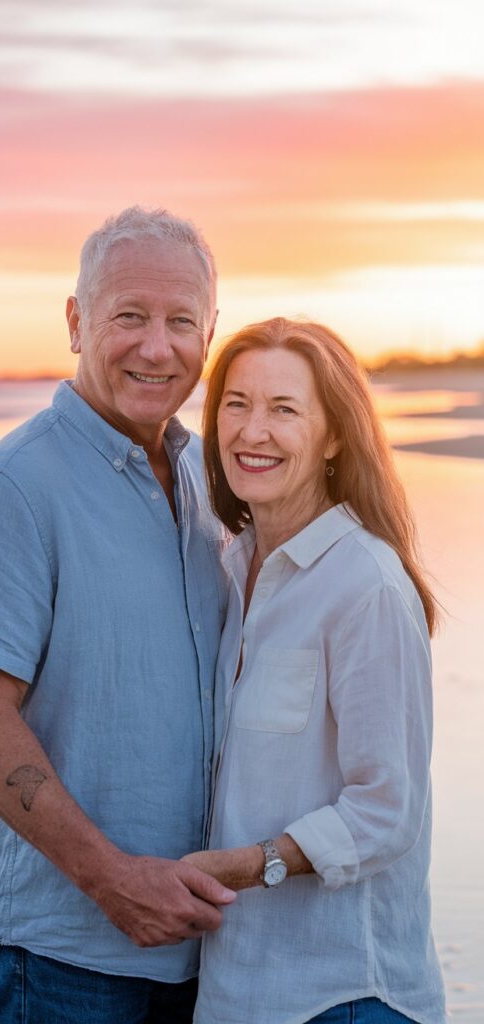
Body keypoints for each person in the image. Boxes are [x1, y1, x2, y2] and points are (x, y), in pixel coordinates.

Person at [0, 206, 236, 1024]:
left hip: (194, 940)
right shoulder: (16, 488)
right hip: (59, 950)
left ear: (211, 331)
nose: (156, 346)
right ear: (76, 321)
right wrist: (114, 879)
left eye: (181, 322)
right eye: (128, 316)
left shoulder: (211, 486)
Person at [184, 318, 446, 1024]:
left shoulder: (366, 587)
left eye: (283, 409)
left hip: (342, 997)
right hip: (236, 992)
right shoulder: (228, 573)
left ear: (333, 436)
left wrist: (248, 864)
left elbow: (389, 810)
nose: (251, 430)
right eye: (235, 403)